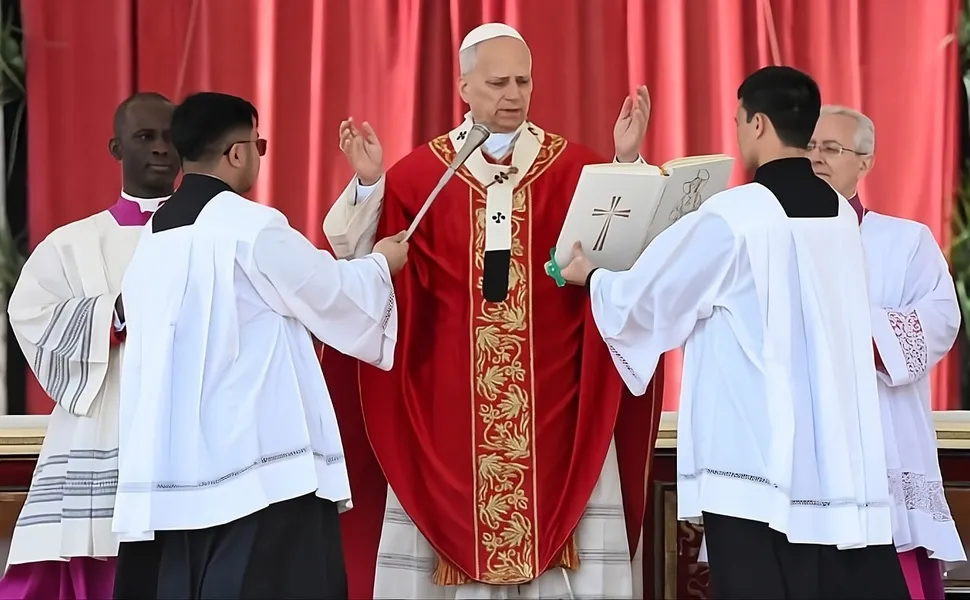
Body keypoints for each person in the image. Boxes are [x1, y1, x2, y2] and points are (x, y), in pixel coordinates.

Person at [322, 21, 664, 600]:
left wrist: (625, 163)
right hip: (449, 406)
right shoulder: (422, 175)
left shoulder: (571, 166)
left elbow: (620, 253)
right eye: (498, 82)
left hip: (554, 399)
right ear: (464, 88)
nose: (513, 95)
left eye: (523, 82)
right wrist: (370, 183)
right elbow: (362, 266)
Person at [558, 66, 912, 599]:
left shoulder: (734, 215)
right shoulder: (840, 213)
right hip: (834, 455)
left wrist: (595, 278)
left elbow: (652, 300)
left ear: (760, 124)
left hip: (753, 460)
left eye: (740, 120)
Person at [110, 92, 409, 599]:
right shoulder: (251, 226)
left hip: (175, 474)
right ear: (237, 153)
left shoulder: (152, 240)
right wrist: (381, 265)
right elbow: (330, 294)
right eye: (258, 144)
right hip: (257, 473)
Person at [0, 92, 179, 599]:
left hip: (187, 424)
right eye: (145, 137)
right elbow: (29, 313)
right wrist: (113, 312)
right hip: (103, 428)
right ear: (116, 147)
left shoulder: (213, 235)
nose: (161, 148)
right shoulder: (71, 243)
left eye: (170, 137)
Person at [810, 104, 965, 598]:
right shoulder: (773, 240)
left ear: (866, 162)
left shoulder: (905, 241)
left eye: (831, 149)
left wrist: (848, 328)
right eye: (809, 147)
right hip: (804, 451)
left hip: (882, 445)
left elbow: (941, 318)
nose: (817, 159)